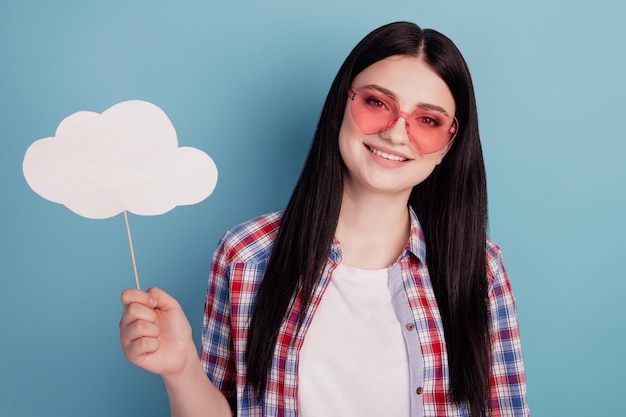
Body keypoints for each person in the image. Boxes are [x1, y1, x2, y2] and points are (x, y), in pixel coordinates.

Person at [119, 21, 529, 417]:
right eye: (377, 103)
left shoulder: (480, 270)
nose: (396, 133)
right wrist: (182, 369)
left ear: (448, 145)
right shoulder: (247, 255)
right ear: (341, 106)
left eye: (427, 120)